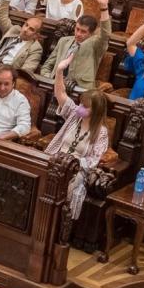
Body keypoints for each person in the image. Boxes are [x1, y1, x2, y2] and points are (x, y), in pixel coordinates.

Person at [43, 60, 111, 221]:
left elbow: (94, 159)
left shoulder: (101, 132)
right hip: (54, 160)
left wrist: (73, 164)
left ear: (96, 111)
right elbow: (60, 94)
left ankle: (62, 221)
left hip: (76, 170)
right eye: (81, 103)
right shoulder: (74, 115)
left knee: (70, 186)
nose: (80, 107)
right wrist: (59, 71)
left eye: (85, 106)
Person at [48, 0, 112, 96]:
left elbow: (105, 34)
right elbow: (48, 65)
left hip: (79, 91)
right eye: (77, 29)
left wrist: (104, 7)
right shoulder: (63, 41)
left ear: (91, 34)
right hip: (54, 86)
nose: (78, 34)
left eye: (83, 31)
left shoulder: (95, 45)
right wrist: (48, 79)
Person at [0, 0, 44, 76]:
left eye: (31, 29)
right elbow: (1, 16)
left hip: (7, 75)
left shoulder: (36, 48)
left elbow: (26, 71)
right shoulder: (14, 30)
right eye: (26, 25)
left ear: (36, 35)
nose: (25, 30)